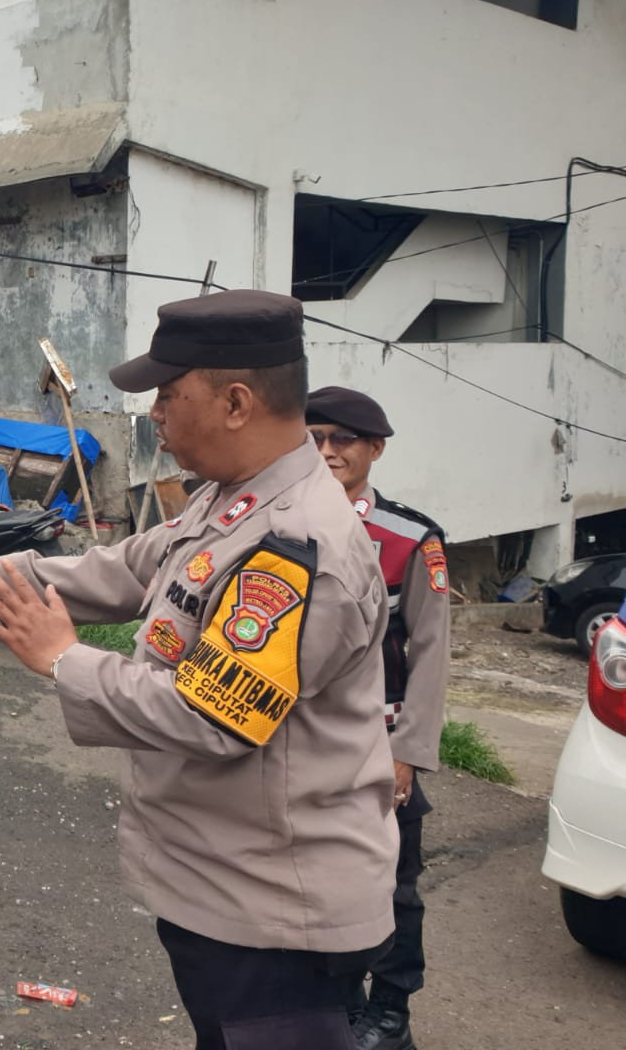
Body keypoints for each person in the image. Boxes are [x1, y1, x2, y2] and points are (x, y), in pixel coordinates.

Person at [0, 290, 397, 1050]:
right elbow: (128, 568)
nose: (154, 413)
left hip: (275, 913)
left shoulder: (298, 544)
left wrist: (63, 659)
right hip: (227, 887)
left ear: (237, 402)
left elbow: (211, 712)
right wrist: (1, 571)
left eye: (168, 393)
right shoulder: (231, 497)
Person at [306, 386, 449, 1050]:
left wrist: (407, 753)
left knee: (394, 883)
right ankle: (336, 998)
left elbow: (431, 655)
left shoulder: (408, 540)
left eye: (342, 440)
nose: (327, 450)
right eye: (315, 438)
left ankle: (390, 1007)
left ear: (374, 449)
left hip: (378, 741)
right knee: (313, 876)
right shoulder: (283, 525)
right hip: (301, 741)